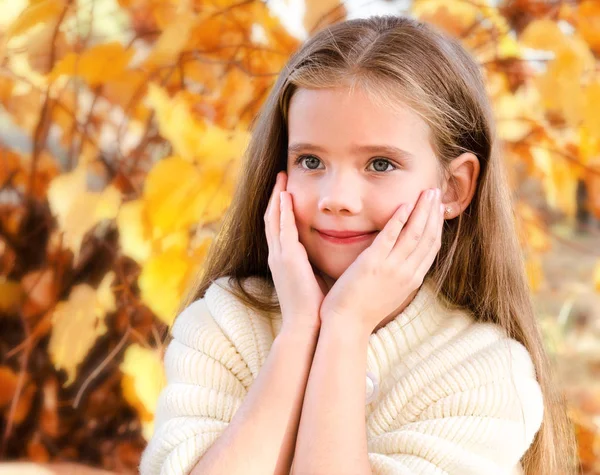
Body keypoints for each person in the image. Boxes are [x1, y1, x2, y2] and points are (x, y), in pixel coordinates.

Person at [139, 15, 577, 475]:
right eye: (311, 160)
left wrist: (345, 329)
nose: (337, 200)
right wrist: (300, 332)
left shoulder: (484, 373)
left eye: (380, 164)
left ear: (453, 187)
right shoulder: (225, 324)